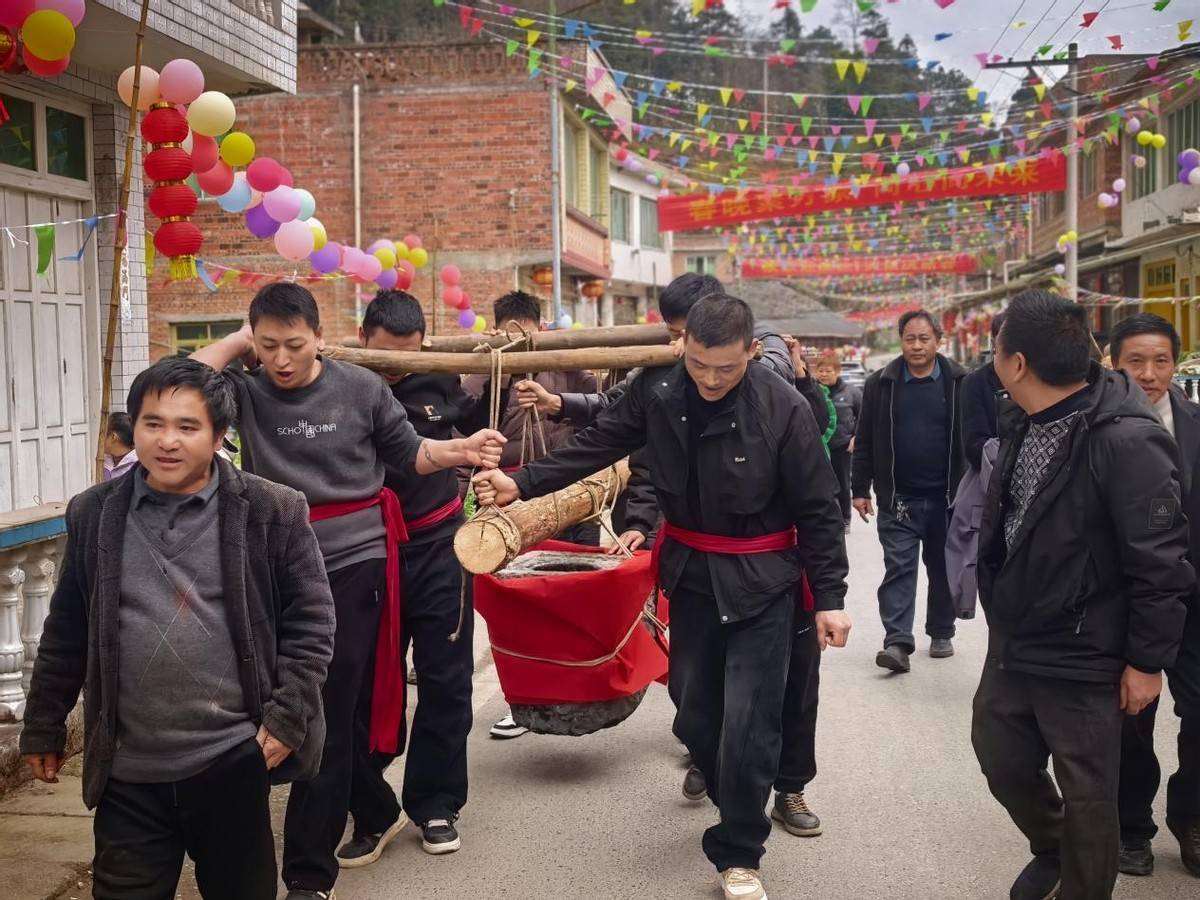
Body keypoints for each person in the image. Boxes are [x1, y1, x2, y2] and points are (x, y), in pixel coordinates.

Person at [473, 294, 851, 900]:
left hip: (765, 583)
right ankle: (737, 795)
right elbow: (597, 443)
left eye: (726, 368)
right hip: (692, 575)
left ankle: (739, 851)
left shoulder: (783, 406)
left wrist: (830, 596)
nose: (710, 379)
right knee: (693, 711)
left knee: (750, 720)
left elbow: (819, 508)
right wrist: (521, 483)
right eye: (699, 364)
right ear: (682, 347)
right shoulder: (659, 389)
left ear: (752, 352)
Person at [192, 283, 504, 900]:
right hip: (280, 566)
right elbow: (177, 386)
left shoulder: (361, 388)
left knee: (350, 702)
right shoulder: (245, 391)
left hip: (365, 560)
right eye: (269, 345)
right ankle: (374, 805)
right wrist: (236, 341)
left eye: (294, 344)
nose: (282, 359)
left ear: (320, 337)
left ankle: (321, 867)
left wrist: (461, 451)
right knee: (312, 704)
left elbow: (412, 453)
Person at [21, 358, 336, 900]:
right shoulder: (95, 513)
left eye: (187, 426)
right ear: (134, 427)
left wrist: (286, 719)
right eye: (153, 423)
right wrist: (43, 724)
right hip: (127, 769)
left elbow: (312, 622)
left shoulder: (270, 510)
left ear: (219, 434)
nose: (167, 441)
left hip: (231, 758)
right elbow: (67, 628)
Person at [972, 290, 1193, 900]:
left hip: (1086, 645)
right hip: (1018, 635)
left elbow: (1161, 562)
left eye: (996, 348)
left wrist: (1146, 661)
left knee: (1090, 795)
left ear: (1018, 362)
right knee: (1000, 755)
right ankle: (1053, 847)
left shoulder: (1127, 440)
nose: (992, 359)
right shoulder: (1022, 416)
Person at [336, 290, 504, 864]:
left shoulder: (440, 378)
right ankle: (372, 808)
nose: (395, 370)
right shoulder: (338, 384)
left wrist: (506, 370)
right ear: (362, 338)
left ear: (424, 346)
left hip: (438, 547)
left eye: (405, 357)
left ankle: (435, 802)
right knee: (360, 685)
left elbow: (477, 419)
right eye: (384, 356)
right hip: (365, 552)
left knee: (447, 681)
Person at [1108, 313, 1200, 878]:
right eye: (1135, 361)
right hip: (1126, 599)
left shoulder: (1195, 423)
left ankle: (1191, 816)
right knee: (1131, 717)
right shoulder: (1095, 426)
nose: (1149, 373)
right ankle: (1130, 825)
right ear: (1113, 364)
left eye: (1160, 360)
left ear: (1175, 363)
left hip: (1194, 597)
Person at [852, 309, 967, 673]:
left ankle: (941, 631)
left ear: (938, 341)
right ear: (901, 342)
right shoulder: (880, 383)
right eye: (910, 339)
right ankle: (897, 641)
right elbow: (865, 438)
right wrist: (859, 488)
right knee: (899, 569)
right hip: (898, 499)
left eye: (924, 339)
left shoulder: (960, 381)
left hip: (947, 499)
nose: (917, 346)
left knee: (943, 568)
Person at [814, 353, 861, 530]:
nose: (824, 374)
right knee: (819, 484)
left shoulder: (851, 393)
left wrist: (856, 437)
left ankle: (845, 518)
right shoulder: (813, 392)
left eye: (828, 371)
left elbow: (863, 417)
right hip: (818, 446)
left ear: (838, 371)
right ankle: (824, 518)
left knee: (842, 483)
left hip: (842, 445)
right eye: (820, 371)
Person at [961, 311, 1009, 471]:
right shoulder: (975, 382)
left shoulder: (1037, 376)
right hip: (994, 476)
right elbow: (974, 446)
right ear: (994, 342)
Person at [101, 411, 138, 480]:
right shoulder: (104, 460)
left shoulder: (138, 465)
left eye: (102, 435)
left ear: (113, 437)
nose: (100, 439)